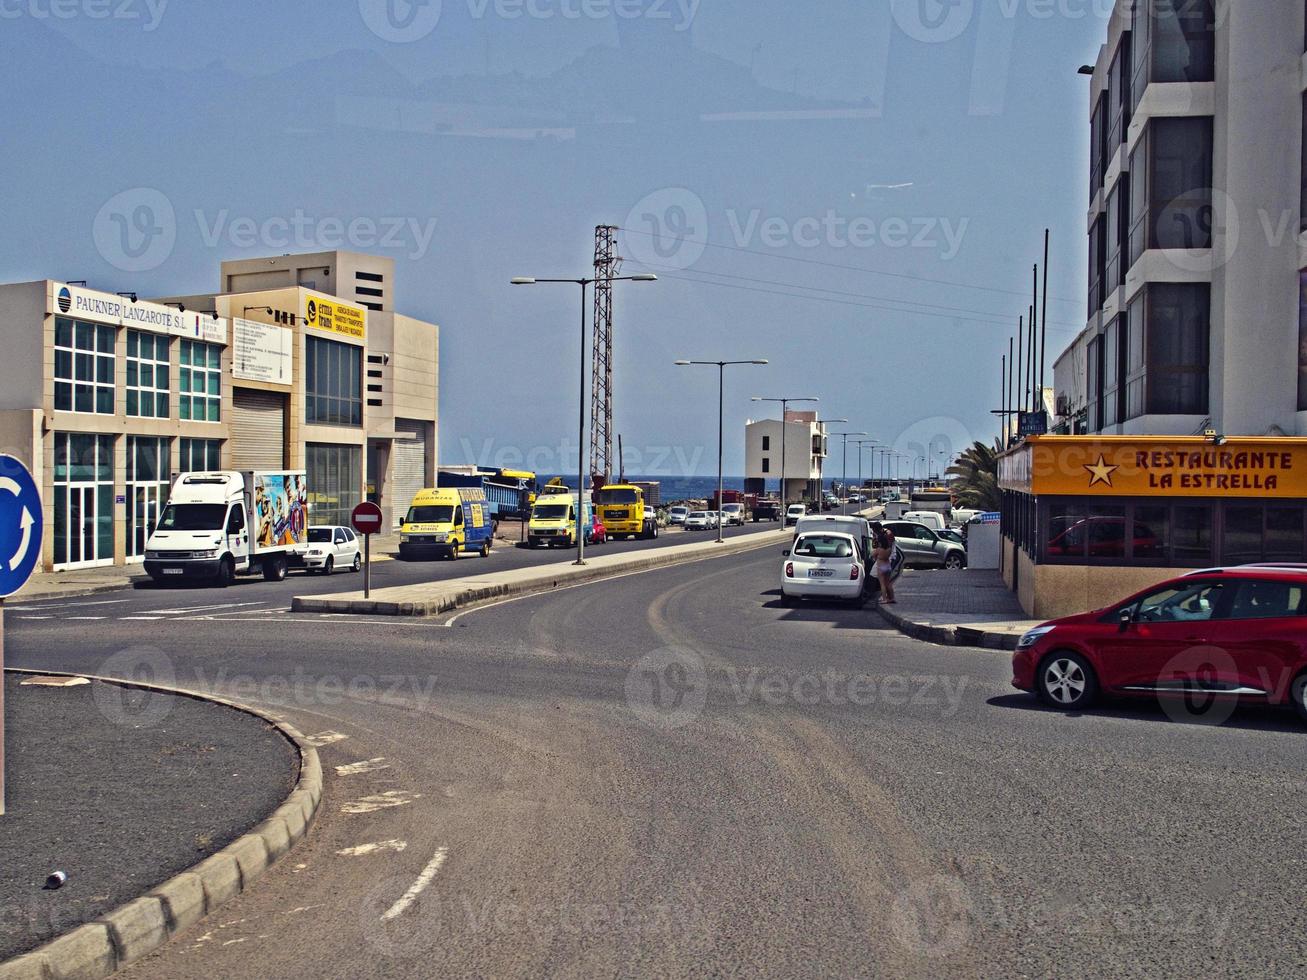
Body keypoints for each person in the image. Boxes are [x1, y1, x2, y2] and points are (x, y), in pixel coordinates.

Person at [869, 521, 896, 604]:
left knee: (882, 582)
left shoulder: (883, 539)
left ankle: (884, 598)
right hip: (888, 562)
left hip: (881, 564)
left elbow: (873, 553)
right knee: (888, 582)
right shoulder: (888, 536)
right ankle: (891, 597)